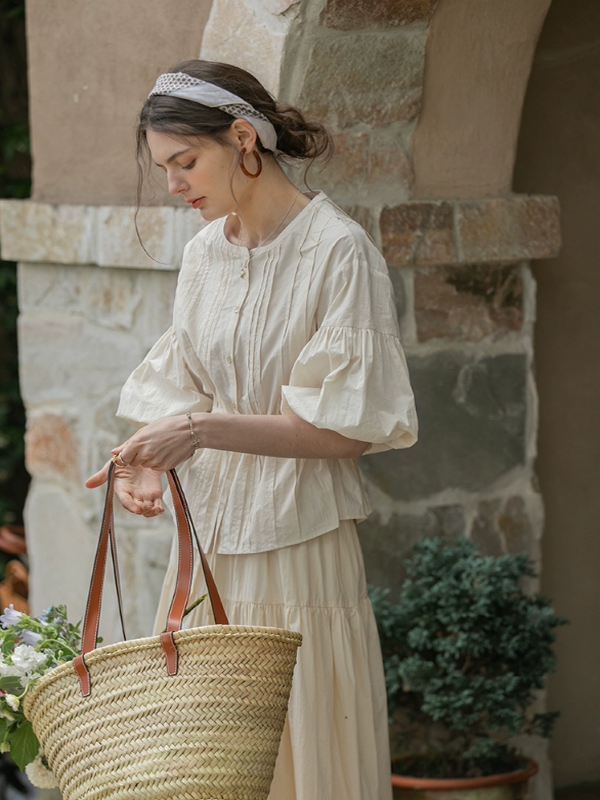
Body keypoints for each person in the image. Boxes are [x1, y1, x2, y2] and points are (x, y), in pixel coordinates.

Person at [86, 59, 418, 800]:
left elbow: (343, 435)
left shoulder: (339, 251)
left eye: (185, 161)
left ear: (242, 138)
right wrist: (150, 460)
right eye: (164, 167)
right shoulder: (205, 254)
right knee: (206, 770)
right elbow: (187, 384)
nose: (174, 185)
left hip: (298, 548)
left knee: (304, 760)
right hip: (205, 553)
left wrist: (197, 432)